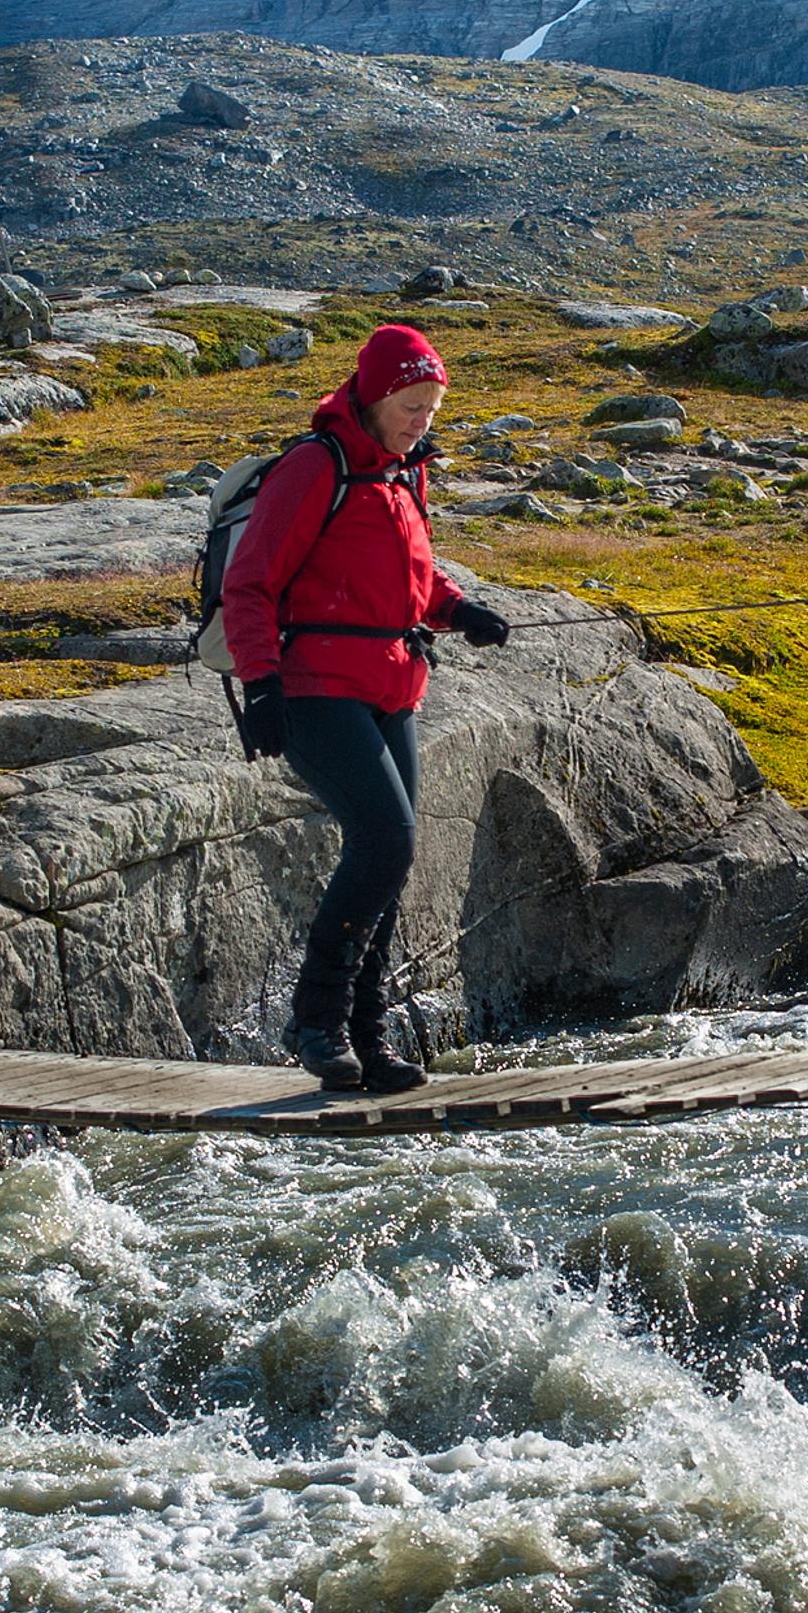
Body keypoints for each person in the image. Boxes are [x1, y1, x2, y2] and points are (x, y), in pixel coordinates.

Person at [220, 321, 510, 1091]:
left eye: (433, 405)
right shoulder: (319, 466)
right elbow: (247, 584)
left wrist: (461, 610)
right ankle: (314, 1021)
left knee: (390, 858)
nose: (424, 419)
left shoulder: (404, 473)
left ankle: (366, 1039)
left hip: (392, 685)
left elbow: (410, 580)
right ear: (377, 396)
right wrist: (261, 685)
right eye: (413, 403)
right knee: (387, 843)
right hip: (313, 689)